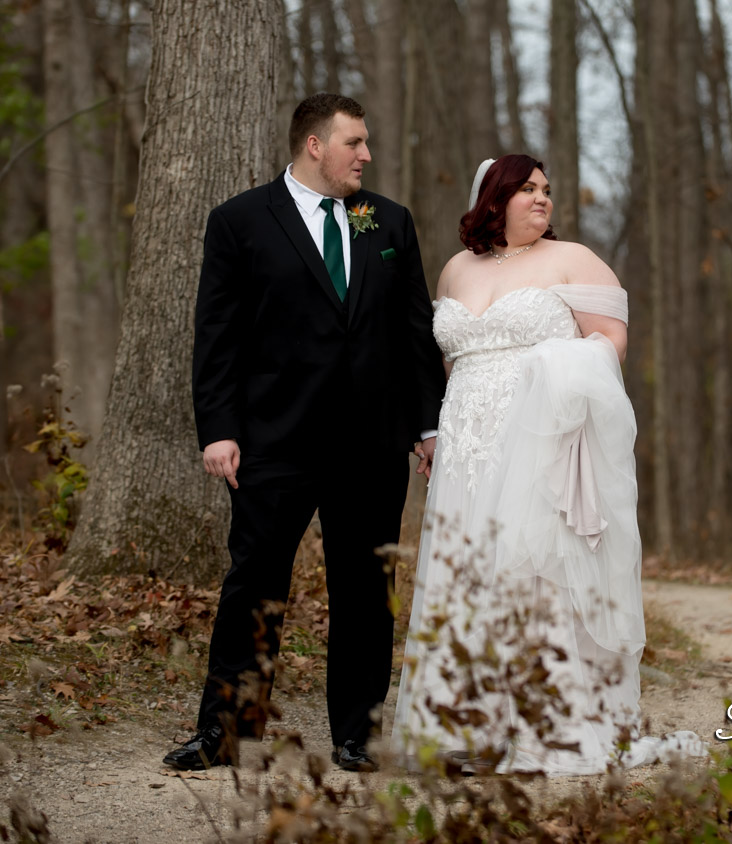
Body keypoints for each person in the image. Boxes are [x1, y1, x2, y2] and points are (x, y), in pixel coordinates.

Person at [393, 155, 704, 775]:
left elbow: (609, 343)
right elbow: (451, 360)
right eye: (528, 189)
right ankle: (463, 724)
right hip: (467, 447)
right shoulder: (457, 269)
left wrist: (557, 376)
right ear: (494, 197)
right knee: (465, 572)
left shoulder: (573, 259)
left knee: (528, 575)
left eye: (547, 190)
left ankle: (536, 726)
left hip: (537, 439)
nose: (542, 199)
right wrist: (440, 430)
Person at [165, 93, 445, 773]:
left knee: (365, 594)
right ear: (314, 145)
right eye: (355, 142)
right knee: (255, 586)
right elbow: (217, 336)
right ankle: (227, 730)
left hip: (373, 445)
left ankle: (358, 733)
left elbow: (413, 334)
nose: (366, 156)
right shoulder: (239, 222)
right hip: (273, 441)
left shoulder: (389, 222)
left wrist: (428, 425)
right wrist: (219, 430)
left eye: (367, 143)